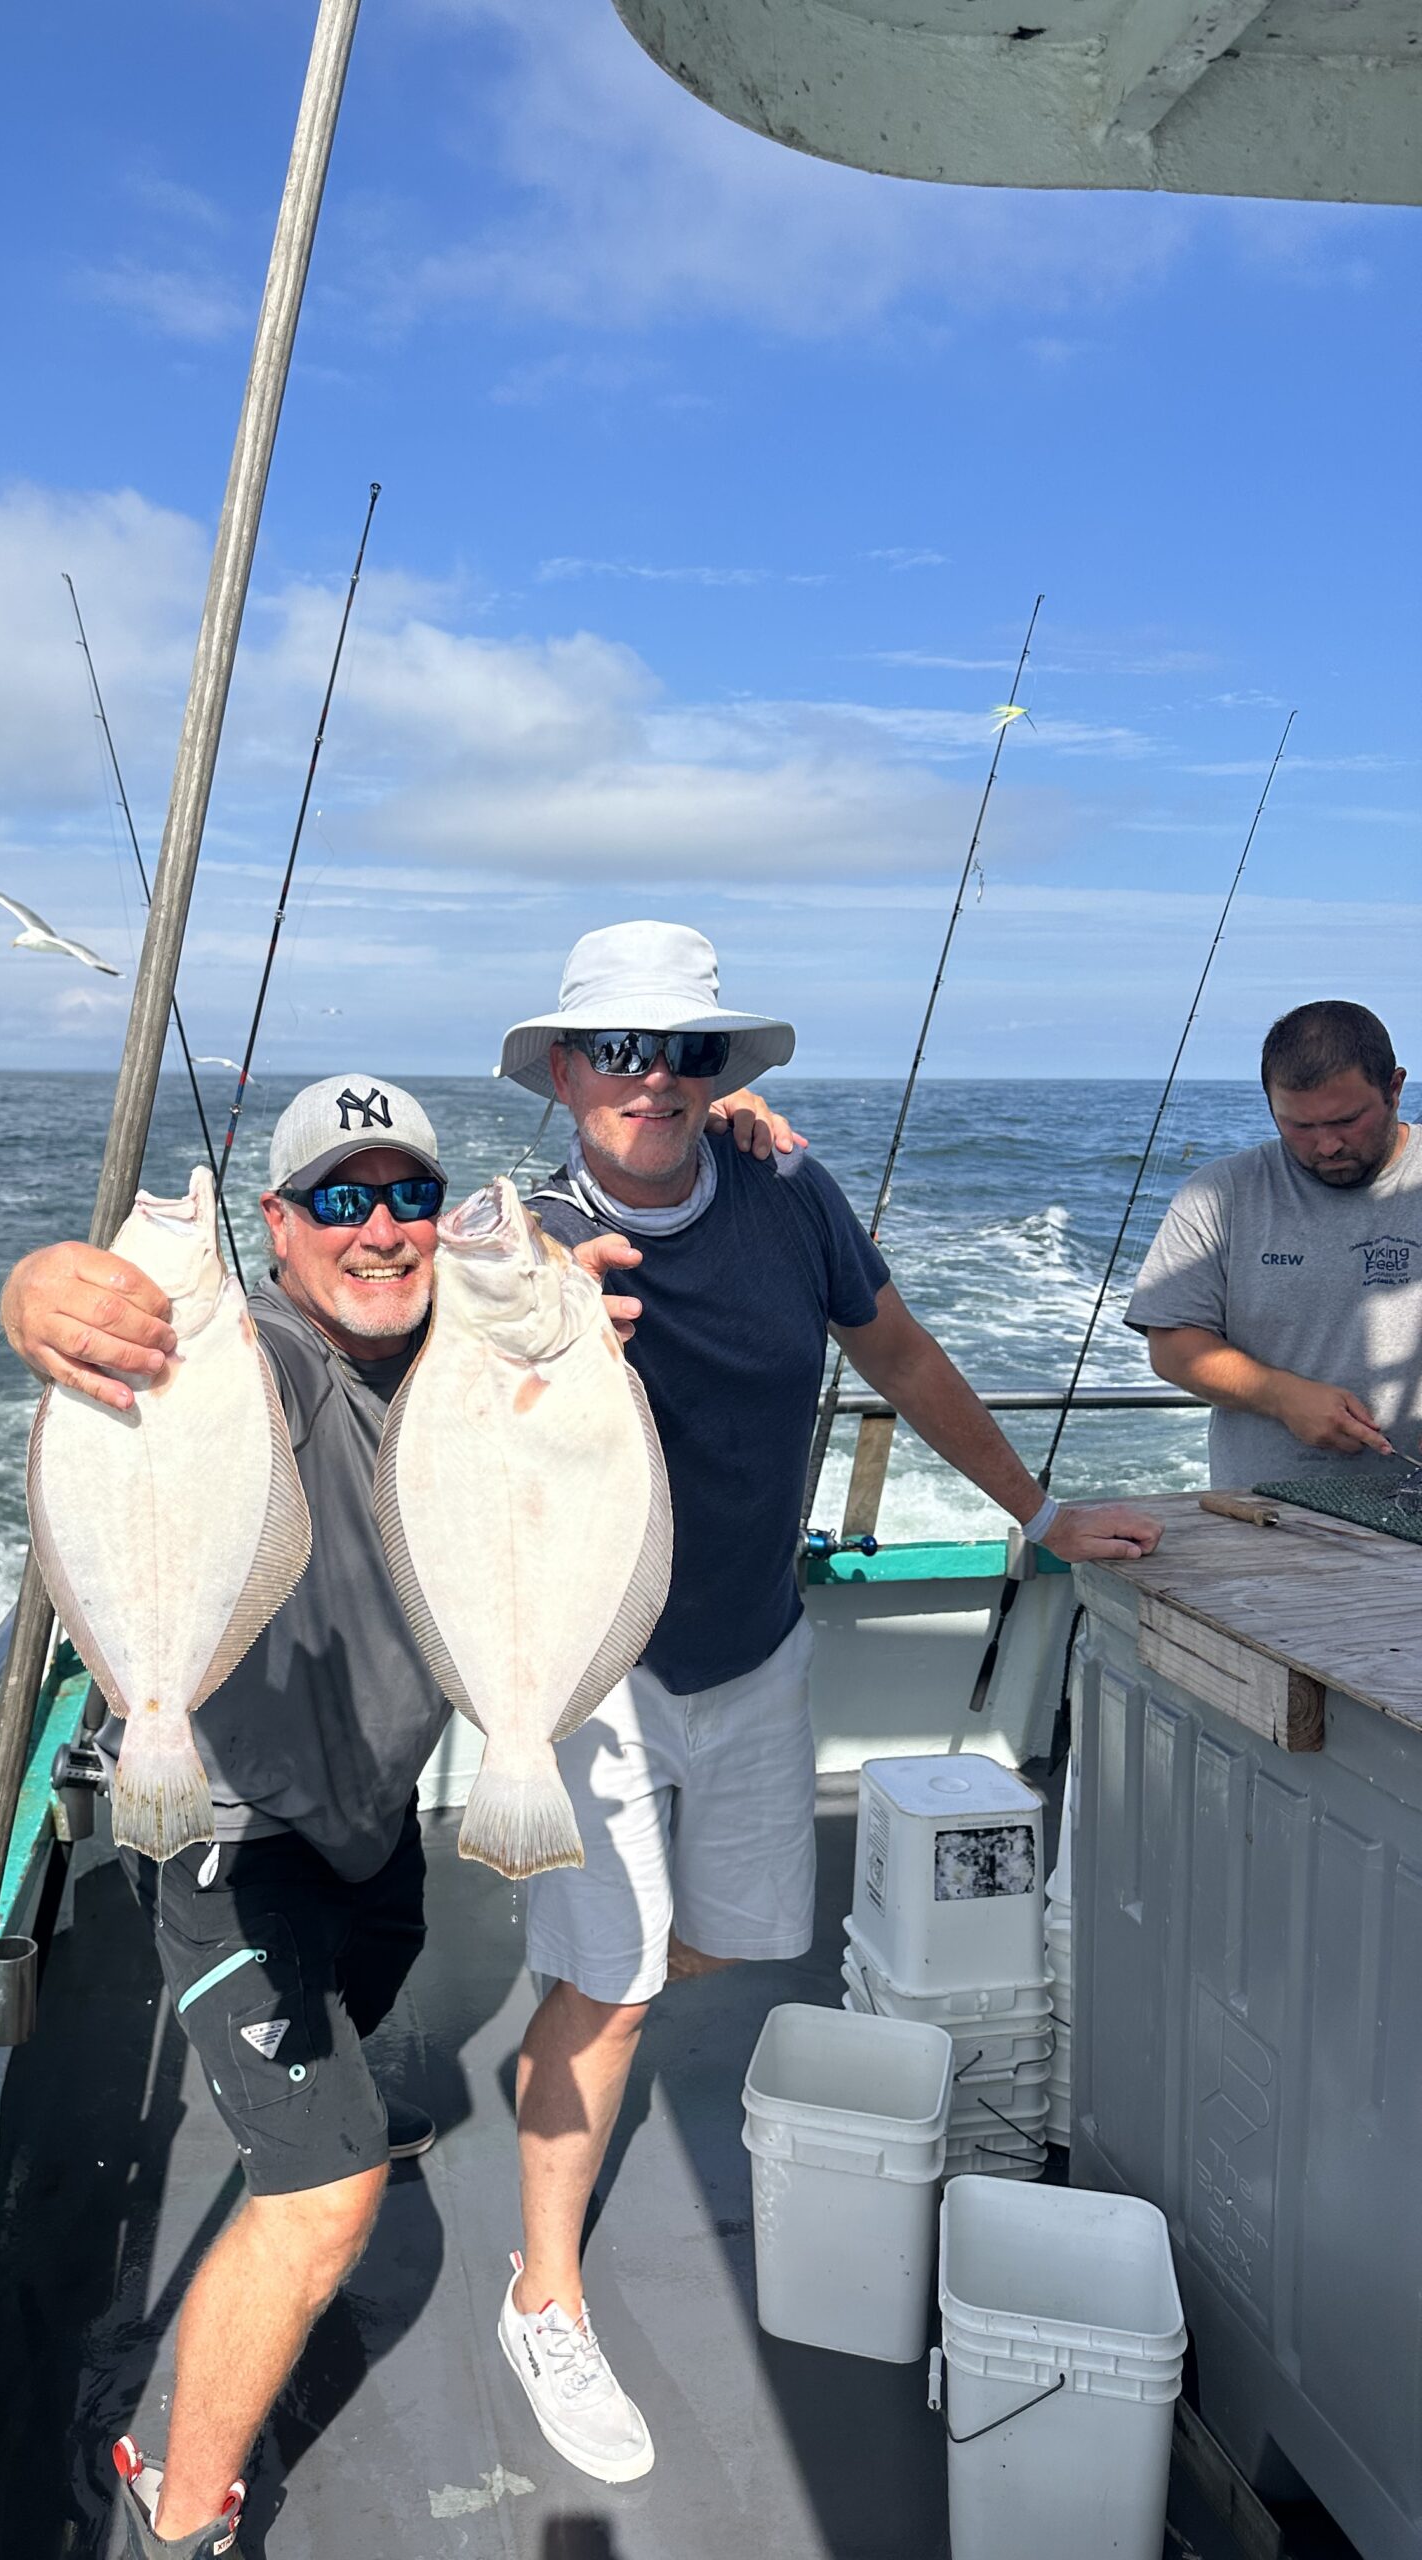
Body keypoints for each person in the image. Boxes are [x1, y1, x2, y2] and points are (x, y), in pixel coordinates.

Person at [0, 1067, 794, 2557]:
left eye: (409, 1195)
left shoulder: (457, 1350)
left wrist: (720, 1130)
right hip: (232, 1843)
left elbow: (572, 1298)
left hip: (377, 1819)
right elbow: (106, 1328)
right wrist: (40, 1293)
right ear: (276, 1228)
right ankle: (178, 2501)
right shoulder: (257, 1357)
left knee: (375, 1994)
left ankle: (346, 2097)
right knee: (325, 2199)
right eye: (340, 1200)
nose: (383, 1230)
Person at [490, 920, 1163, 2486]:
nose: (654, 1078)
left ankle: (573, 2014)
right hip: (584, 1676)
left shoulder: (789, 1192)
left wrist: (1040, 1513)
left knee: (728, 1940)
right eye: (621, 1049)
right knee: (627, 1985)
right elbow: (359, 1338)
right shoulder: (511, 1238)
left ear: (725, 1072)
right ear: (563, 1070)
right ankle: (544, 2290)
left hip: (756, 1644)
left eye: (690, 1051)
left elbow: (906, 1355)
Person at [1127, 999, 1422, 1490]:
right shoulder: (1220, 1193)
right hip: (1265, 1514)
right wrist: (1283, 1397)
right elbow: (1173, 1348)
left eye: (1348, 1120)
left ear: (1394, 1089)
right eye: (1300, 1126)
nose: (1327, 1145)